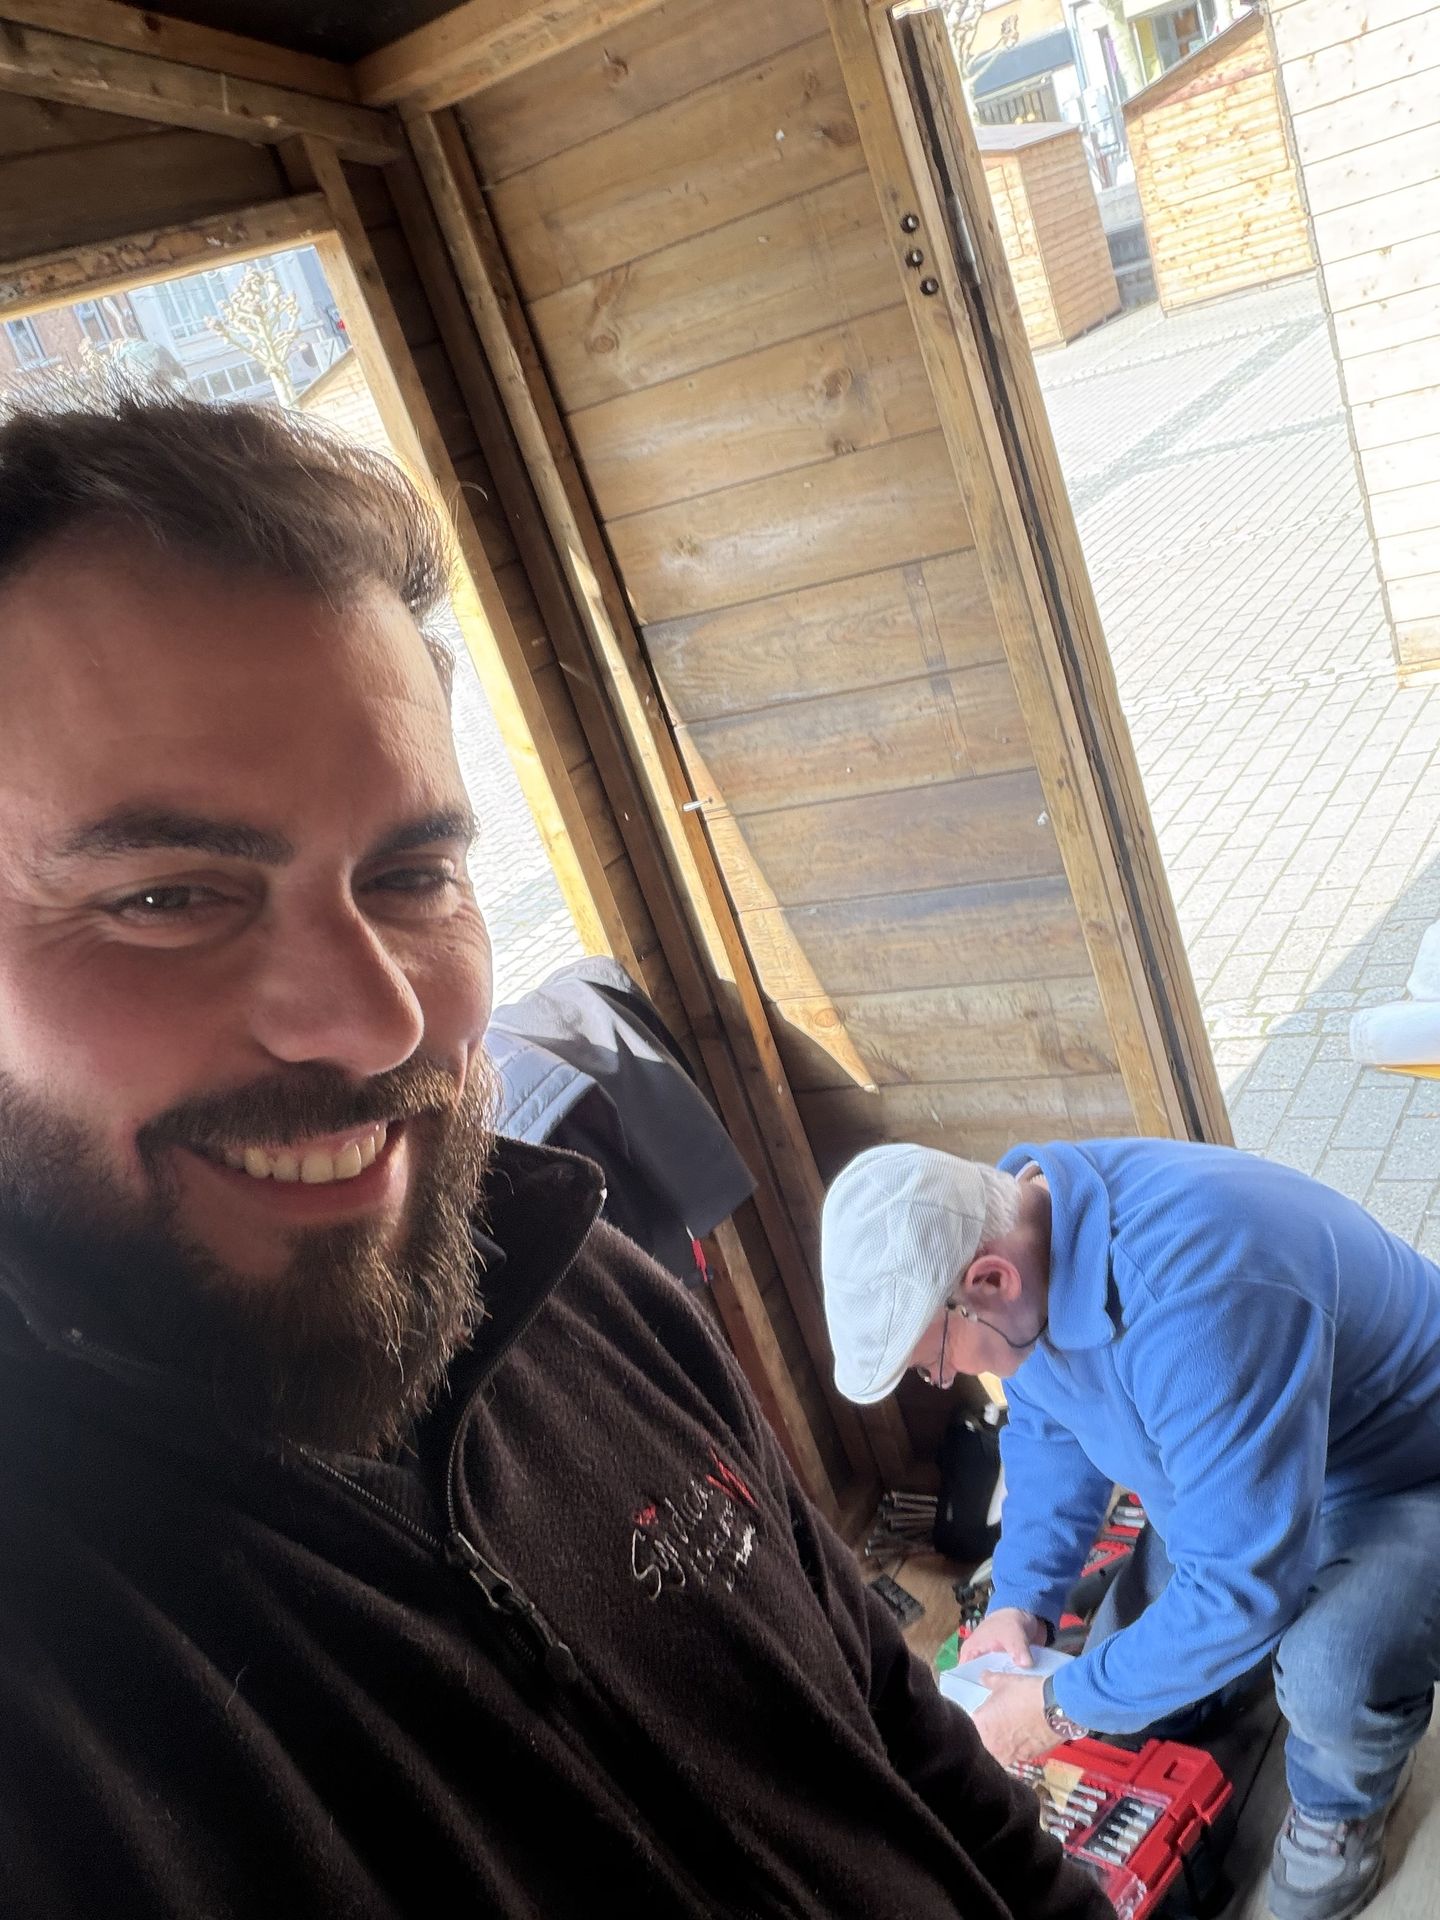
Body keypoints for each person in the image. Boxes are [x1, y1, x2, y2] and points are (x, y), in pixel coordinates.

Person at [0, 397, 1106, 1920]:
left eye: (411, 875)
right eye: (167, 898)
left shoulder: (578, 1281)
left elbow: (886, 1718)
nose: (379, 1019)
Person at [821, 1138, 1440, 1920]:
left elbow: (1240, 1590)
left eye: (931, 1360)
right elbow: (1048, 1431)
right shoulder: (1027, 1239)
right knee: (1123, 1672)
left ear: (989, 1280)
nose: (941, 1380)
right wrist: (1021, 1599)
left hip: (1403, 1471)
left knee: (1330, 1671)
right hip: (1256, 1465)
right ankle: (1235, 1656)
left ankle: (1341, 1802)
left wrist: (1055, 1709)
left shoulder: (1199, 1295)